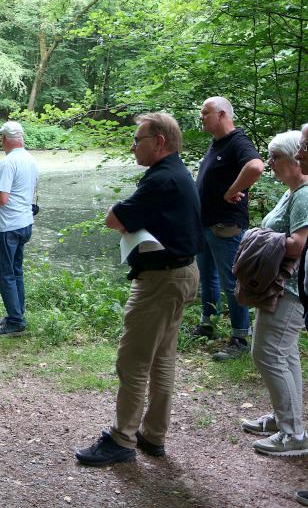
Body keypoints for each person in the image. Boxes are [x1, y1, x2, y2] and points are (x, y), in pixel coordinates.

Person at [75, 112, 201, 466]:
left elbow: (115, 218)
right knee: (161, 358)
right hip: (182, 274)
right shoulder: (177, 173)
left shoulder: (161, 179)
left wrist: (116, 209)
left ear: (159, 142)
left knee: (133, 360)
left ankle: (121, 439)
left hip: (161, 281)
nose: (132, 146)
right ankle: (153, 434)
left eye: (138, 139)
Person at [238, 130, 308, 456]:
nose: (270, 164)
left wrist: (257, 238)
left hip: (290, 290)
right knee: (285, 355)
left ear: (296, 158)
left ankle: (293, 434)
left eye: (275, 157)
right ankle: (286, 420)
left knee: (267, 354)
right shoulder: (292, 192)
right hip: (279, 286)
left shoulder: (304, 195)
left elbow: (298, 244)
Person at [192, 97, 263, 360]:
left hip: (226, 226)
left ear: (222, 114)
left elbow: (256, 166)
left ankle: (240, 338)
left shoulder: (237, 141)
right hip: (206, 225)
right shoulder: (216, 144)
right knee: (208, 277)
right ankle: (208, 324)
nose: (202, 116)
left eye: (205, 112)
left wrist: (234, 190)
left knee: (233, 281)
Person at [0, 121, 38, 337]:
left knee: (4, 274)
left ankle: (15, 322)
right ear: (21, 138)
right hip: (24, 224)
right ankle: (16, 314)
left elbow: (2, 199)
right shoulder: (30, 160)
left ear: (4, 138)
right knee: (16, 271)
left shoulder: (8, 163)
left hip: (7, 228)